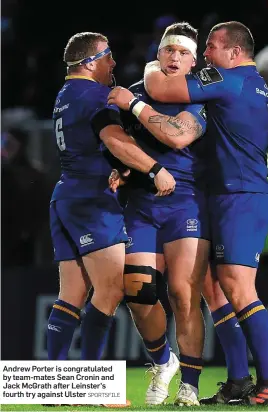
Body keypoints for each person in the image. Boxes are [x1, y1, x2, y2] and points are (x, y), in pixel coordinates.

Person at [109, 21, 268, 405]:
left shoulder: (230, 80)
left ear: (234, 52)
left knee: (238, 287)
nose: (207, 54)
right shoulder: (245, 81)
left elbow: (160, 95)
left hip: (239, 195)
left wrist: (141, 87)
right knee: (214, 287)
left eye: (210, 47)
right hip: (224, 194)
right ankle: (239, 379)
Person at [47, 31, 176, 365]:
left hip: (66, 197)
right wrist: (155, 169)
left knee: (71, 296)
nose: (113, 63)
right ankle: (93, 386)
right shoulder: (95, 95)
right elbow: (116, 140)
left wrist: (117, 169)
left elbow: (90, 146)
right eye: (108, 56)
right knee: (110, 290)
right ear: (90, 63)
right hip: (92, 201)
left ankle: (54, 385)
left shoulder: (65, 94)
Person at [109, 23, 210, 406]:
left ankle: (190, 384)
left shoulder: (199, 96)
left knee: (183, 293)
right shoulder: (134, 92)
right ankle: (161, 360)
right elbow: (123, 143)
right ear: (158, 52)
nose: (174, 58)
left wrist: (135, 106)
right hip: (142, 206)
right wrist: (122, 167)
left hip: (186, 203)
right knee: (137, 292)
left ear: (193, 61)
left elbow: (178, 135)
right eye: (169, 50)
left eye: (183, 53)